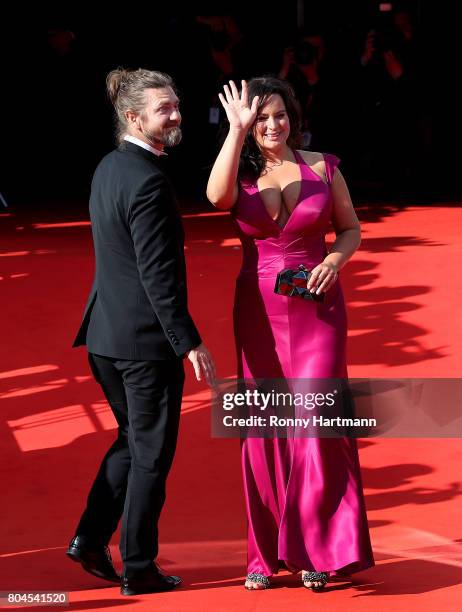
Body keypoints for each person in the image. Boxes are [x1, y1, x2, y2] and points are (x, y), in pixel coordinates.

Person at [206, 77, 374, 590]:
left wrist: (334, 260)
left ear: (292, 116)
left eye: (279, 115)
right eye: (261, 118)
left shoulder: (323, 165)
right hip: (258, 311)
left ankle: (316, 548)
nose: (272, 125)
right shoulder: (240, 171)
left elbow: (350, 229)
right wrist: (234, 133)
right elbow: (216, 198)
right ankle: (265, 555)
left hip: (318, 306)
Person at [68, 68, 215, 596]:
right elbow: (157, 275)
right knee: (152, 454)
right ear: (133, 117)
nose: (176, 115)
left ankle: (89, 539)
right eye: (165, 109)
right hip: (142, 345)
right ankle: (139, 566)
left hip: (105, 338)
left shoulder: (110, 166)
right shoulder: (149, 180)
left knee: (132, 442)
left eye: (177, 105)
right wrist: (189, 340)